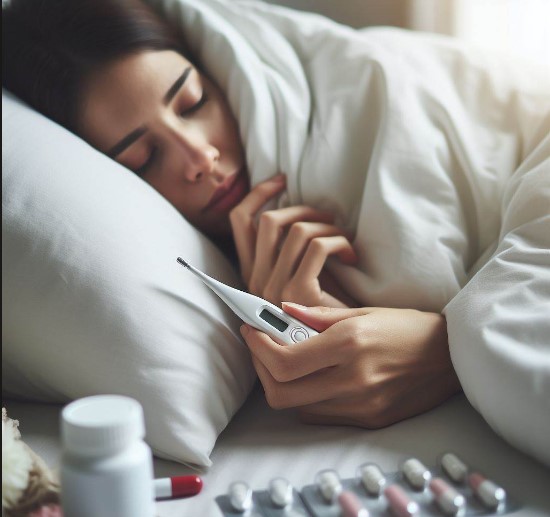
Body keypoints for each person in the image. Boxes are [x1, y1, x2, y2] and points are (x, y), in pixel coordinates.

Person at [5, 0, 537, 440]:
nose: (200, 157)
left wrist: (438, 348)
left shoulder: (347, 84)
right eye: (143, 160)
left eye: (193, 102)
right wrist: (322, 324)